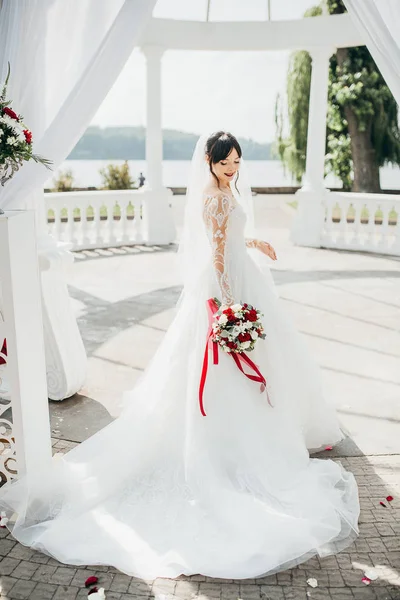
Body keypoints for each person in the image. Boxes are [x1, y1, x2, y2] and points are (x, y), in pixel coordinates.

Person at [0, 131, 360, 580]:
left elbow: (227, 244)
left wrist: (255, 245)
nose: (233, 168)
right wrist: (230, 311)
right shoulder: (216, 197)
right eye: (225, 162)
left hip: (235, 278)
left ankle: (246, 435)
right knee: (224, 369)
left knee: (243, 369)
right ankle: (230, 448)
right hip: (228, 290)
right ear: (208, 162)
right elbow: (216, 255)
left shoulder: (223, 192)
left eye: (238, 161)